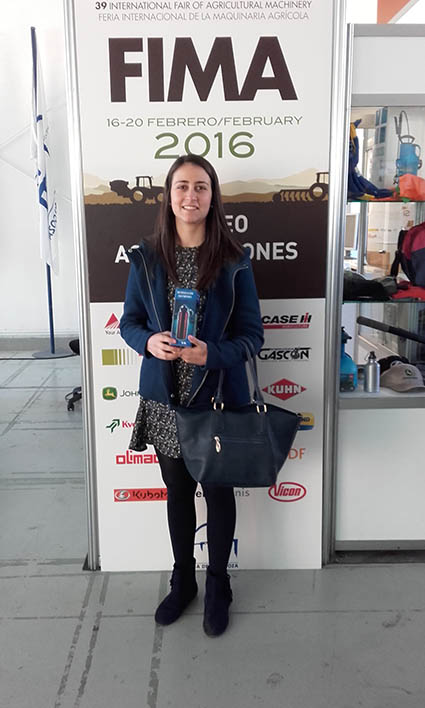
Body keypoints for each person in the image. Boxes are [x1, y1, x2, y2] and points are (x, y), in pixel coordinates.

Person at [120, 154, 263, 636]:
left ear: (212, 196)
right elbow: (129, 323)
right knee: (178, 491)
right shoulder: (146, 257)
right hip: (164, 399)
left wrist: (212, 354)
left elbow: (252, 337)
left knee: (218, 493)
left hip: (216, 397)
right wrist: (148, 342)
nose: (191, 196)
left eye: (201, 186)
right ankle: (183, 580)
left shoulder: (234, 261)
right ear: (168, 196)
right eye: (182, 186)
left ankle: (218, 584)